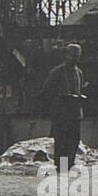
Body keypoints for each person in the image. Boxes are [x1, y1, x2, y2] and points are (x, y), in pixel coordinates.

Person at [41, 43, 88, 171]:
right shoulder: (57, 72)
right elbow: (46, 91)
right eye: (73, 56)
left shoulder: (79, 73)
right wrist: (59, 99)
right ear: (66, 55)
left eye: (77, 56)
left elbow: (80, 89)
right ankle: (61, 168)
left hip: (75, 113)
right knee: (61, 141)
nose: (75, 59)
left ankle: (69, 165)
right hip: (61, 113)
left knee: (73, 141)